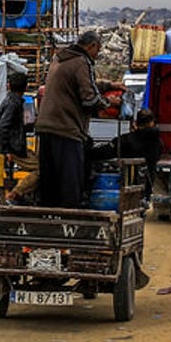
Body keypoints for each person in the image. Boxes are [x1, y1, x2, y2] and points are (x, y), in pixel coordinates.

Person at [35, 30, 124, 208]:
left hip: (46, 126)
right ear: (91, 46)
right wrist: (108, 102)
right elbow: (89, 98)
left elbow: (79, 84)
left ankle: (46, 219)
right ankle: (71, 221)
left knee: (49, 180)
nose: (98, 54)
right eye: (97, 50)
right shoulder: (82, 62)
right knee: (70, 180)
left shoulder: (60, 58)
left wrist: (109, 85)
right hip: (66, 127)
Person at [89, 108, 161, 200]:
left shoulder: (126, 141)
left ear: (136, 122)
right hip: (146, 189)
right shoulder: (157, 142)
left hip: (126, 189)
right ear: (152, 123)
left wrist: (86, 150)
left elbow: (102, 152)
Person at [0, 71, 38, 203]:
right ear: (26, 87)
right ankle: (15, 194)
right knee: (42, 168)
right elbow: (2, 127)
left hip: (14, 147)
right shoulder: (13, 103)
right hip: (14, 148)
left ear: (8, 85)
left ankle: (17, 194)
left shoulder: (12, 101)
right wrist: (6, 150)